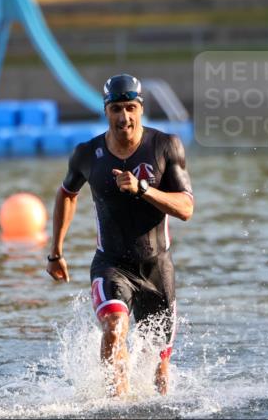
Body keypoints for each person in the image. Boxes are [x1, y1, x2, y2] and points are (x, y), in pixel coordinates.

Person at [46, 74, 194, 396]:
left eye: (130, 108)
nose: (123, 118)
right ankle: (118, 414)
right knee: (115, 328)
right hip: (111, 264)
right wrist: (56, 252)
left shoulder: (166, 146)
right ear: (106, 111)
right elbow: (67, 193)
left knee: (160, 375)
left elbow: (185, 208)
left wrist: (143, 189)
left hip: (157, 269)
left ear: (140, 109)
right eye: (116, 109)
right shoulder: (87, 154)